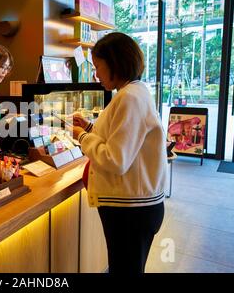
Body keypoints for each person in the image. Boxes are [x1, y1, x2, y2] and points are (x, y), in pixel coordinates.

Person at [71, 32, 168, 273]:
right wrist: (91, 128)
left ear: (114, 63)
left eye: (98, 66)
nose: (96, 74)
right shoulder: (134, 92)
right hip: (134, 207)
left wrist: (82, 137)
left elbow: (116, 160)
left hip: (131, 211)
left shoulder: (129, 97)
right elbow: (125, 138)